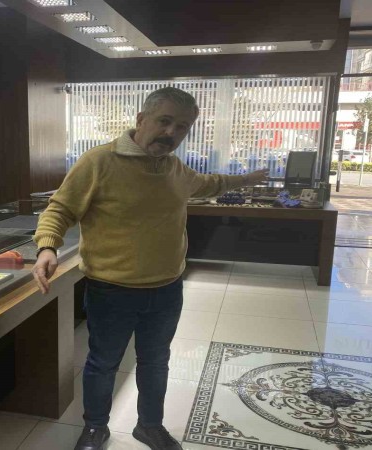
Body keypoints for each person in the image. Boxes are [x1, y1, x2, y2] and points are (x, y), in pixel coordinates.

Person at [31, 87, 268, 450]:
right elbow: (60, 208)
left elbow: (209, 184)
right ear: (141, 120)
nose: (171, 132)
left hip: (166, 289)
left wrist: (246, 180)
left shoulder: (174, 168)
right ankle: (95, 428)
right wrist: (47, 246)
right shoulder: (99, 161)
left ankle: (149, 426)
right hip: (111, 289)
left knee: (156, 362)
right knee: (103, 363)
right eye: (164, 121)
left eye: (182, 127)